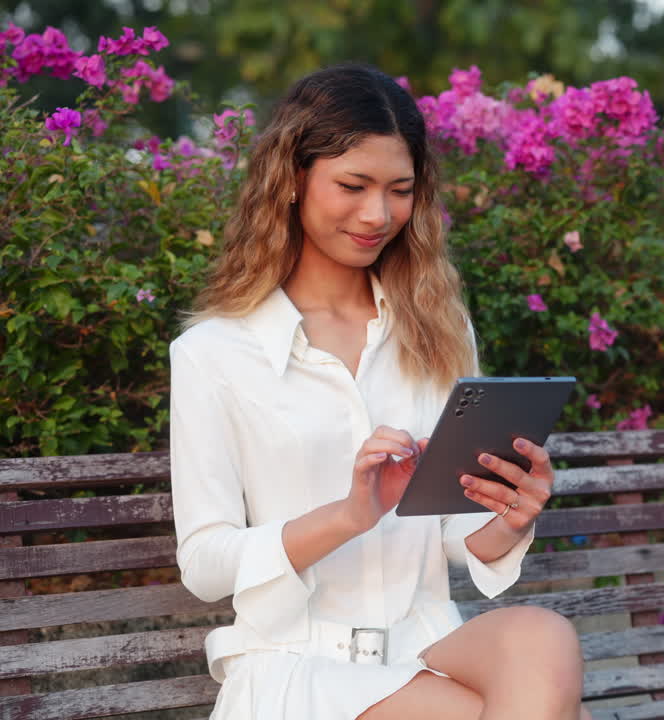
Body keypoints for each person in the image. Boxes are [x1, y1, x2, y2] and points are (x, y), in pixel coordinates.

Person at [169, 63, 588, 720]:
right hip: (296, 670)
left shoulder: (441, 332)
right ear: (292, 181)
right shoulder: (214, 354)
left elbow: (458, 535)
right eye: (353, 185)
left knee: (543, 637)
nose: (378, 214)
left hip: (427, 648)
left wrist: (509, 518)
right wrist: (348, 515)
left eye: (399, 190)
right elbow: (205, 563)